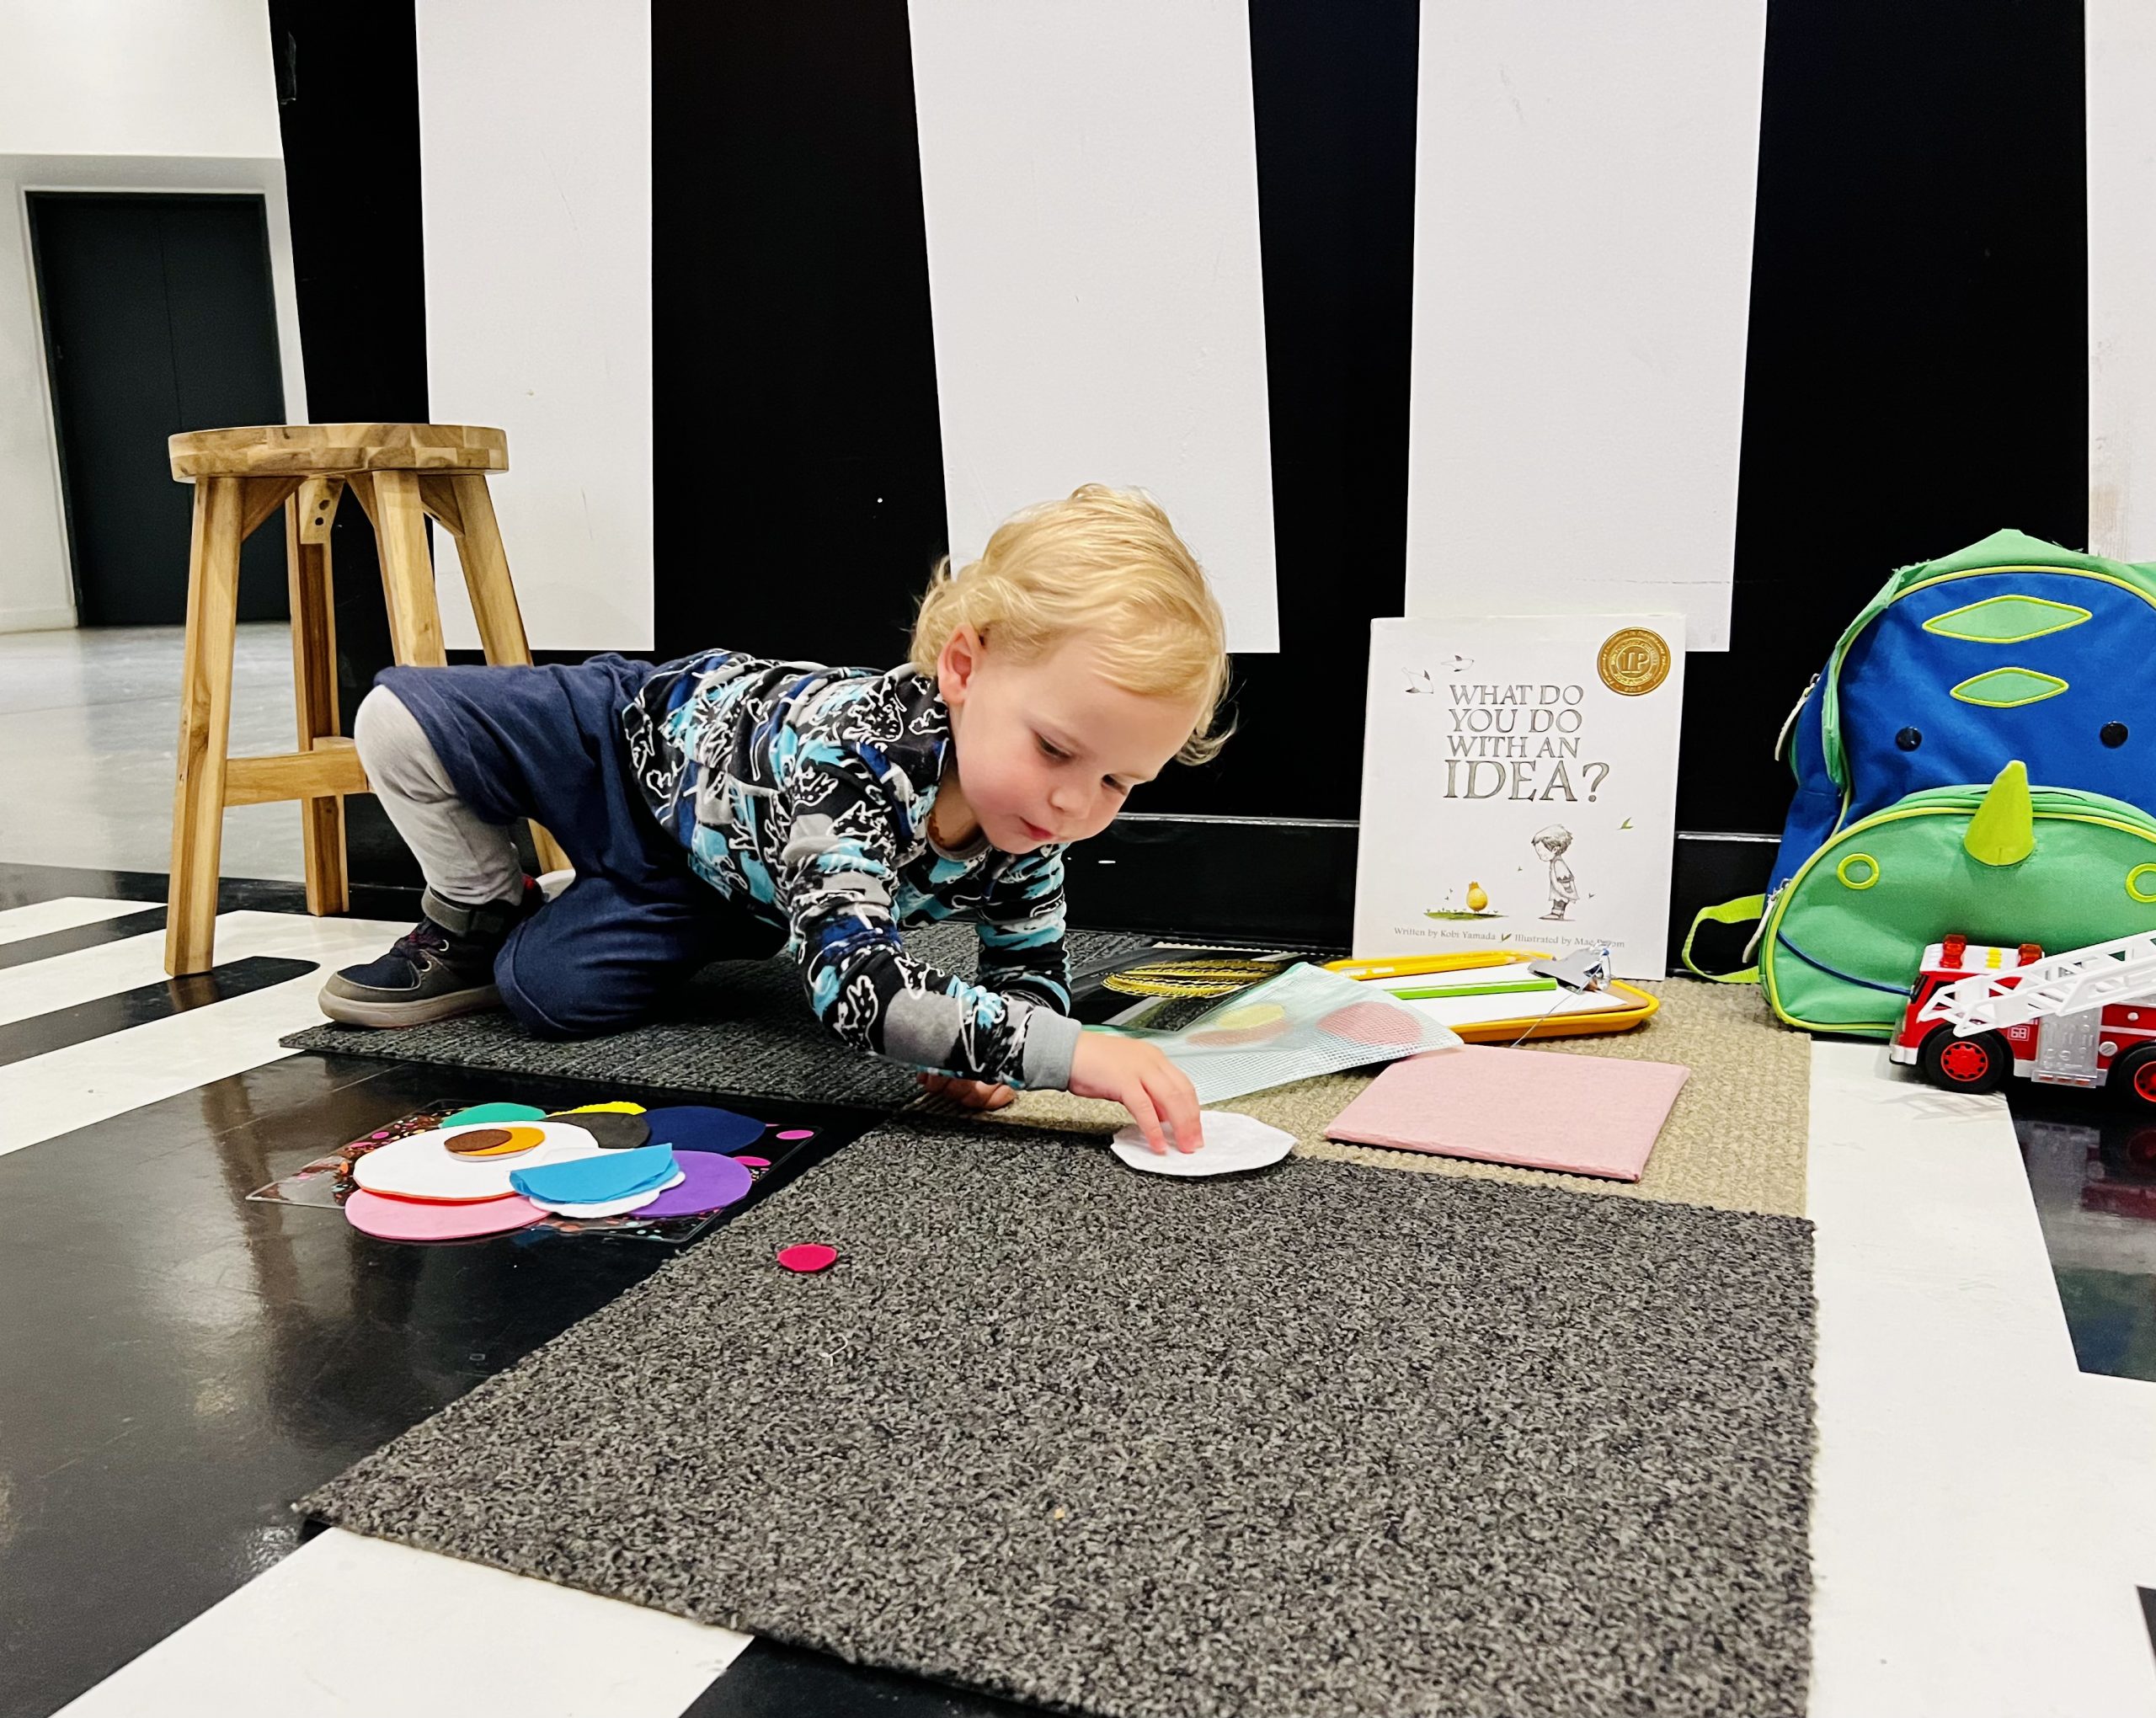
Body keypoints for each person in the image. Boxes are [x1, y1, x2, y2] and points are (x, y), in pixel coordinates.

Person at [318, 484, 1230, 1155]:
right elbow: (856, 992)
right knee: (397, 720)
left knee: (544, 998)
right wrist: (1078, 1058)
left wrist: (1001, 1048)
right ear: (963, 668)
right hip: (630, 741)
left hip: (716, 878)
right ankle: (475, 905)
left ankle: (554, 918)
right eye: (1056, 750)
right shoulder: (852, 759)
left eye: (1120, 781)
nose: (1076, 805)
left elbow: (1027, 970)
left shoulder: (1032, 829)